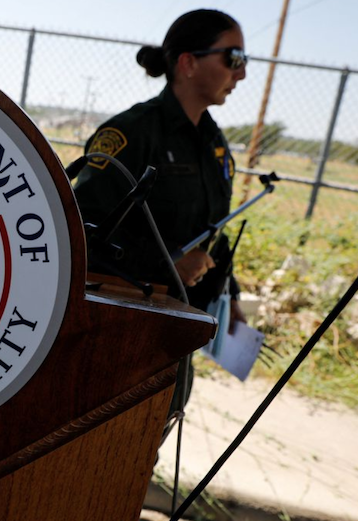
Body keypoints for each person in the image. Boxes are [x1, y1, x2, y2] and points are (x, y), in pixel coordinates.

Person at [72, 9, 248, 420]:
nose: (240, 74)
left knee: (158, 429)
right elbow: (81, 227)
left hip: (177, 326)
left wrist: (229, 293)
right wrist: (166, 260)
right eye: (233, 58)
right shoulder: (133, 132)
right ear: (188, 63)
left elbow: (210, 229)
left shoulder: (213, 140)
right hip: (122, 329)